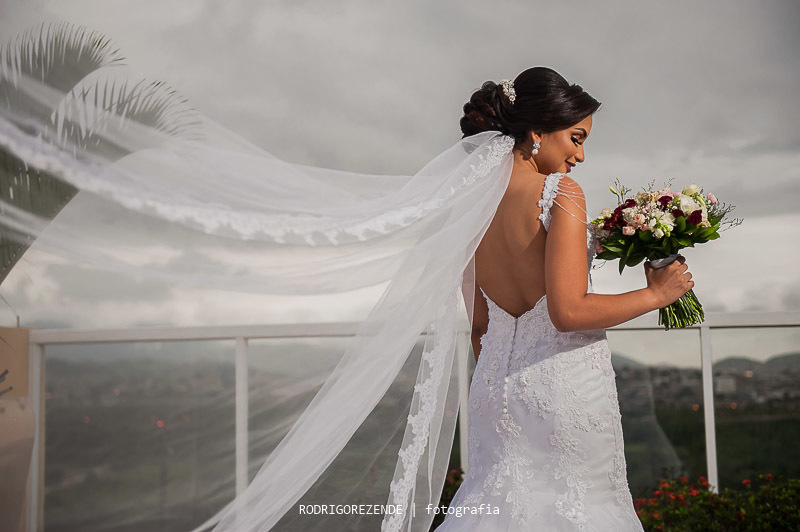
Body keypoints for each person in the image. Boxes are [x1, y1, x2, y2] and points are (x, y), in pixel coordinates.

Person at [433, 67, 693, 530]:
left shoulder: (469, 209)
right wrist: (657, 294)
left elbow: (478, 325)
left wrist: (506, 377)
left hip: (494, 392)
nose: (581, 155)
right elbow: (568, 311)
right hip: (562, 389)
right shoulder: (559, 194)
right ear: (536, 132)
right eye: (575, 138)